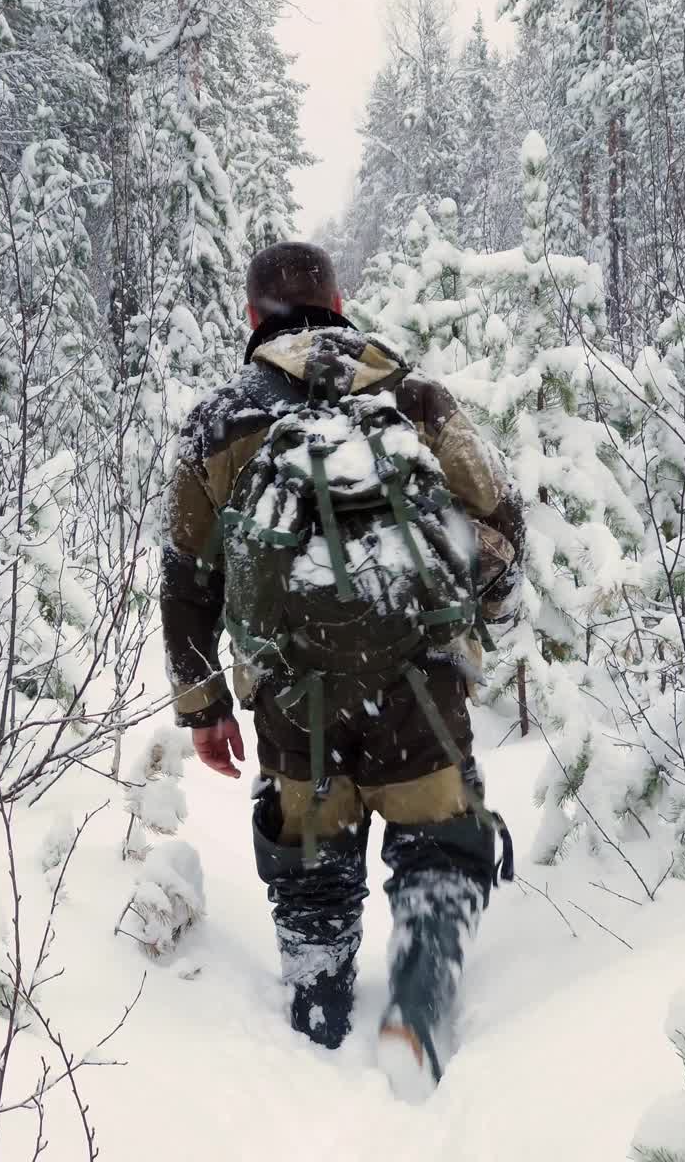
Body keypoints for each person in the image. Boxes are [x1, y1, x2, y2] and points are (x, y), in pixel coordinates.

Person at [161, 241, 524, 1100]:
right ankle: (419, 1005)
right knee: (437, 842)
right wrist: (488, 617)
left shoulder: (219, 420)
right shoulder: (411, 391)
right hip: (420, 687)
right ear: (339, 300)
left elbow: (186, 580)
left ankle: (317, 1038)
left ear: (253, 320)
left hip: (296, 700)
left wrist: (205, 708)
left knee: (311, 870)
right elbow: (498, 511)